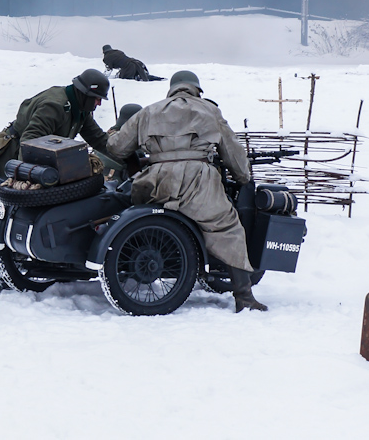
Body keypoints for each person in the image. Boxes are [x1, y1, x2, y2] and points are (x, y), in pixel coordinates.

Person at [106, 70, 267, 313]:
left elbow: (117, 148)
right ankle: (244, 296)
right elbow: (232, 151)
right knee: (227, 227)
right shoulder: (208, 110)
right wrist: (243, 177)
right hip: (198, 181)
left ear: (171, 89)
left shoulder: (149, 111)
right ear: (196, 89)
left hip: (156, 182)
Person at [0, 69, 111, 290]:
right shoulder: (55, 106)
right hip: (12, 155)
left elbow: (99, 139)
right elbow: (30, 141)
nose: (98, 104)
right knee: (10, 209)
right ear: (83, 93)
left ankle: (10, 257)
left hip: (31, 157)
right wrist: (29, 176)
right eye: (96, 99)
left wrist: (127, 154)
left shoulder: (79, 109)